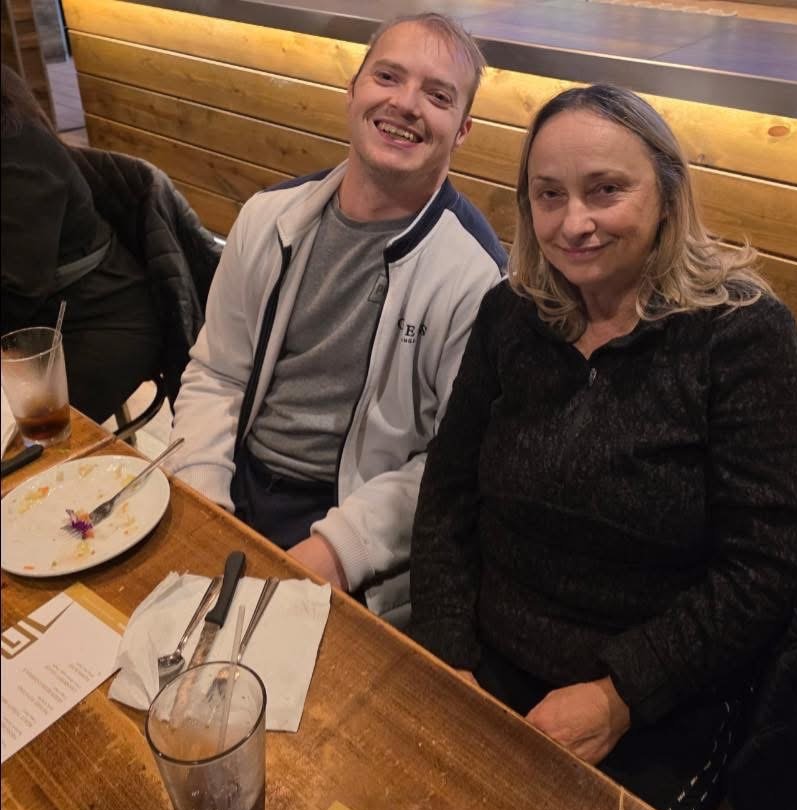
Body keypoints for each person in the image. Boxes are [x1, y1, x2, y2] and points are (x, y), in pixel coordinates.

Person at [408, 84, 797, 810]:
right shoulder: (510, 314)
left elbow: (761, 571)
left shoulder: (743, 335)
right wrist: (447, 658)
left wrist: (618, 695)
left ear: (666, 193)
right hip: (485, 661)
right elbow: (446, 498)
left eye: (605, 191)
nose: (574, 224)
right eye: (549, 195)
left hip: (661, 699)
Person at [169, 13, 506, 621]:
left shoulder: (477, 278)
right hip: (233, 482)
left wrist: (334, 552)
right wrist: (202, 496)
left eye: (437, 95)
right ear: (352, 92)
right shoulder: (268, 217)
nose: (405, 104)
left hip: (351, 530)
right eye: (387, 76)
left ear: (462, 131)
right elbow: (218, 373)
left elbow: (452, 465)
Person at [1, 64, 161, 423]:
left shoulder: (17, 150)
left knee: (25, 445)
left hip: (100, 320)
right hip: (37, 321)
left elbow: (17, 293)